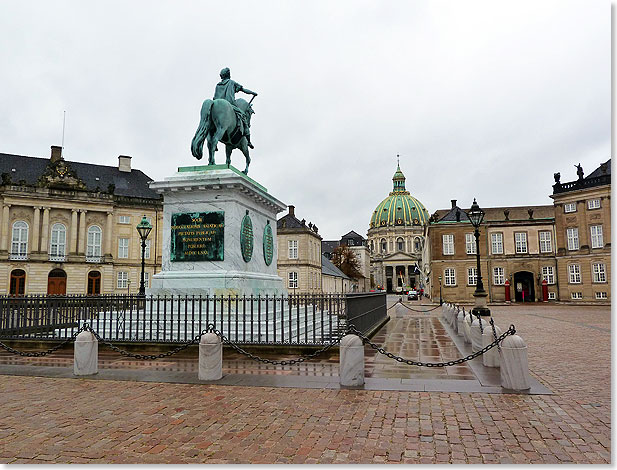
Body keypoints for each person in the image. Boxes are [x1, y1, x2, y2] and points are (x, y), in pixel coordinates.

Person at [214, 68, 258, 148]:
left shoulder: (218, 85)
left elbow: (215, 97)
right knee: (244, 118)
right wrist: (252, 93)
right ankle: (248, 141)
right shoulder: (231, 82)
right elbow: (244, 90)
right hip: (231, 105)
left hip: (216, 106)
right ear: (228, 75)